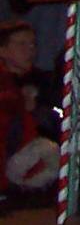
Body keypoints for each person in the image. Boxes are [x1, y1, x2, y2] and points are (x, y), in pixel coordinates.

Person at [0, 18, 59, 204]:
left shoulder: (43, 80)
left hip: (37, 149)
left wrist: (38, 110)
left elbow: (60, 117)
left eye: (33, 44)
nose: (30, 50)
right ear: (3, 50)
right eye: (22, 44)